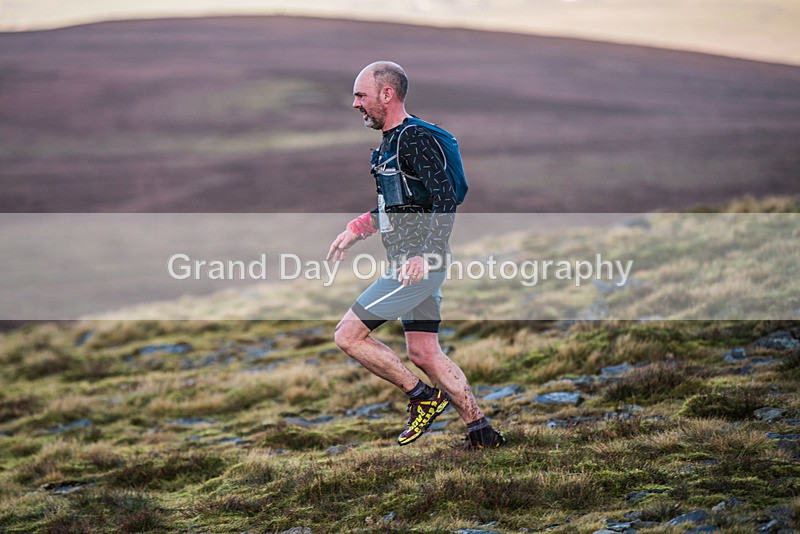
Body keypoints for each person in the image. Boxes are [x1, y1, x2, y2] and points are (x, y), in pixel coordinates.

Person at [327, 61, 506, 450]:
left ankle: (422, 397)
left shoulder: (413, 138)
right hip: (412, 265)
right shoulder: (390, 143)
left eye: (361, 95)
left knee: (348, 335)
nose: (356, 103)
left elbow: (445, 198)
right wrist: (357, 229)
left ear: (386, 94)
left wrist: (427, 254)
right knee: (424, 351)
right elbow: (405, 203)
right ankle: (481, 432)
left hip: (418, 266)